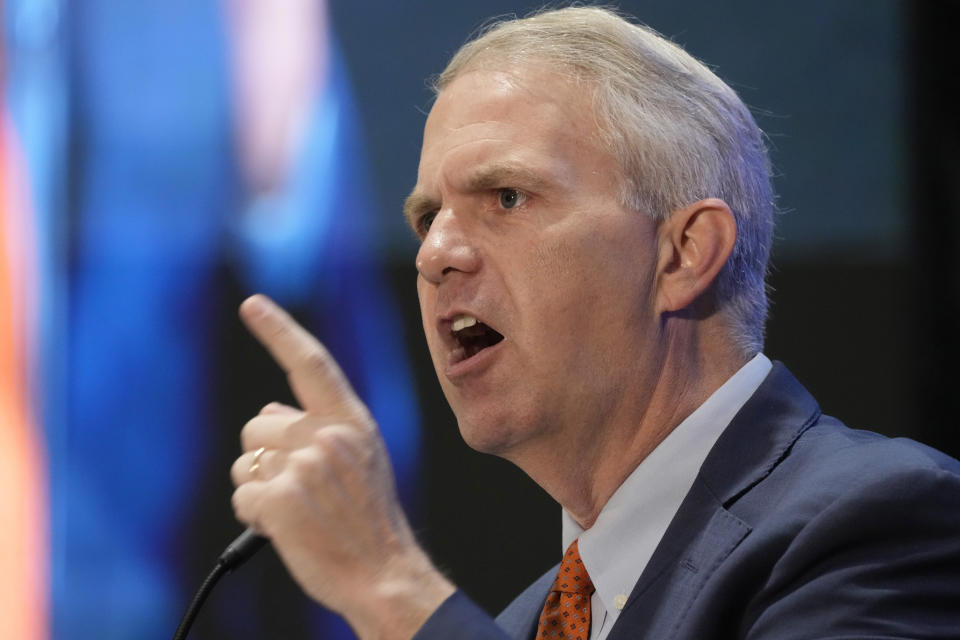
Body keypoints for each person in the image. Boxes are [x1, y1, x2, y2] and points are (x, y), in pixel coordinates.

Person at [229, 6, 960, 639]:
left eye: (508, 197)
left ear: (684, 254)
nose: (435, 255)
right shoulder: (526, 623)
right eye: (427, 217)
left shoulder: (878, 526)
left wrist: (386, 586)